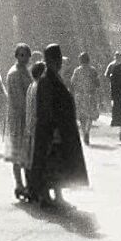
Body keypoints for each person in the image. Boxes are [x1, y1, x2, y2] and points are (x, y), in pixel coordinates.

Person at [31, 44, 88, 207]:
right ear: (52, 61)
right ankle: (46, 195)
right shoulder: (47, 80)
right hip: (53, 130)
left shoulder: (53, 77)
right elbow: (48, 108)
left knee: (57, 163)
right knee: (51, 163)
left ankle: (57, 195)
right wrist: (54, 129)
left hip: (57, 128)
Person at [4, 43, 32, 199]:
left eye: (26, 55)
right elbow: (19, 100)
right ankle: (19, 184)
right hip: (18, 117)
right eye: (21, 55)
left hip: (25, 116)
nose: (24, 58)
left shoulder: (24, 71)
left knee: (26, 153)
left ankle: (27, 184)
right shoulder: (14, 73)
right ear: (16, 56)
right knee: (17, 153)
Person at [23, 60, 46, 199]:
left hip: (31, 128)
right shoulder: (40, 88)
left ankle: (31, 189)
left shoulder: (32, 86)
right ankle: (38, 191)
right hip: (38, 128)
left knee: (31, 161)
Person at [71, 51, 100, 145]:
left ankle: (84, 132)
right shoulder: (93, 70)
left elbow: (73, 82)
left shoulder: (77, 70)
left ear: (80, 60)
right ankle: (87, 131)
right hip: (90, 95)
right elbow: (97, 83)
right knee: (90, 115)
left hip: (79, 95)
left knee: (81, 116)